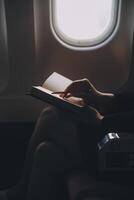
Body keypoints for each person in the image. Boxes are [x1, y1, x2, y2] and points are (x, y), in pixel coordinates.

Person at [3, 78, 134, 200]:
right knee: (46, 152)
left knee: (50, 117)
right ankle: (20, 192)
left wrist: (103, 122)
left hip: (125, 155)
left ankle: (19, 191)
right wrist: (103, 97)